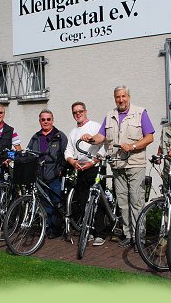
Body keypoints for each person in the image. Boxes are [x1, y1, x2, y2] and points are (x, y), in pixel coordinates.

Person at [82, 86, 155, 250]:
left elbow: (150, 136)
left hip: (135, 163)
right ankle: (128, 235)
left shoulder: (140, 112)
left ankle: (139, 238)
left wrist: (133, 145)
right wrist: (90, 139)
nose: (120, 100)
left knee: (136, 201)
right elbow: (102, 136)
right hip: (116, 164)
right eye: (117, 97)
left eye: (123, 96)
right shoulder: (110, 115)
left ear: (129, 96)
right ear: (114, 98)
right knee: (122, 202)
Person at [64, 102, 107, 246]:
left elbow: (104, 146)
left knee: (98, 201)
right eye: (75, 112)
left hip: (94, 167)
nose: (78, 114)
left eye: (80, 111)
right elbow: (68, 151)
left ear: (86, 111)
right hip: (80, 168)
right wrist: (72, 161)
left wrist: (93, 161)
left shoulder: (96, 126)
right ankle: (89, 231)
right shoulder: (73, 132)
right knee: (83, 202)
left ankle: (100, 234)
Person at [27, 109, 68, 239]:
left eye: (48, 119)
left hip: (55, 176)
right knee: (44, 204)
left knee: (55, 203)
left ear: (52, 120)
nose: (46, 122)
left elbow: (66, 154)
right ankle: (48, 227)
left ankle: (56, 228)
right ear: (40, 121)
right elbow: (29, 154)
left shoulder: (60, 136)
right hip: (40, 176)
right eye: (43, 119)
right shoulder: (35, 137)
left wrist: (61, 170)